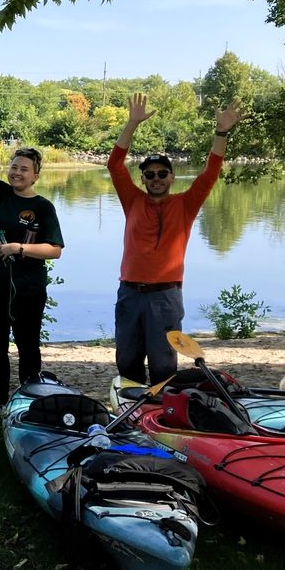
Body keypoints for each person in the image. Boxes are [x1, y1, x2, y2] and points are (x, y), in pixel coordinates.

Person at [110, 93, 244, 383]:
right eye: (150, 174)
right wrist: (131, 123)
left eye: (162, 174)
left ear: (171, 177)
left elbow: (210, 172)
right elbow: (115, 165)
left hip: (166, 296)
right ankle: (131, 411)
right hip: (130, 294)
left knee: (163, 363)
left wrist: (221, 132)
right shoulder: (132, 200)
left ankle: (162, 411)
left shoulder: (185, 204)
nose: (156, 178)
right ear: (142, 179)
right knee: (127, 360)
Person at [0, 147, 65, 419]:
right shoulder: (0, 194)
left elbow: (55, 249)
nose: (16, 172)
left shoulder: (43, 206)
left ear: (36, 176)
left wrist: (19, 248)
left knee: (27, 344)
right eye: (13, 167)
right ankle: (0, 403)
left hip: (27, 287)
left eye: (23, 169)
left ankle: (29, 404)